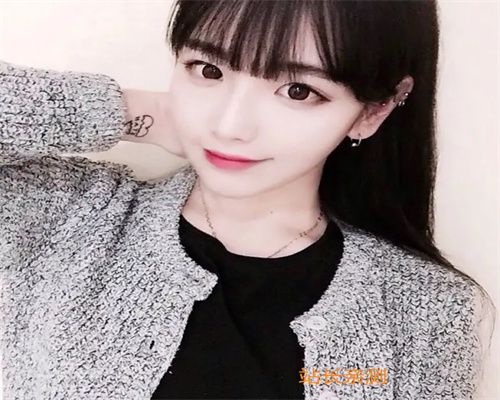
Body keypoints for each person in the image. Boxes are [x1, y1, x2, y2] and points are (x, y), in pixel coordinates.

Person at [0, 1, 495, 399]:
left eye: (298, 90)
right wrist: (138, 113)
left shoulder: (425, 310)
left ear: (374, 111)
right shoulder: (61, 214)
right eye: (207, 69)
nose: (230, 125)